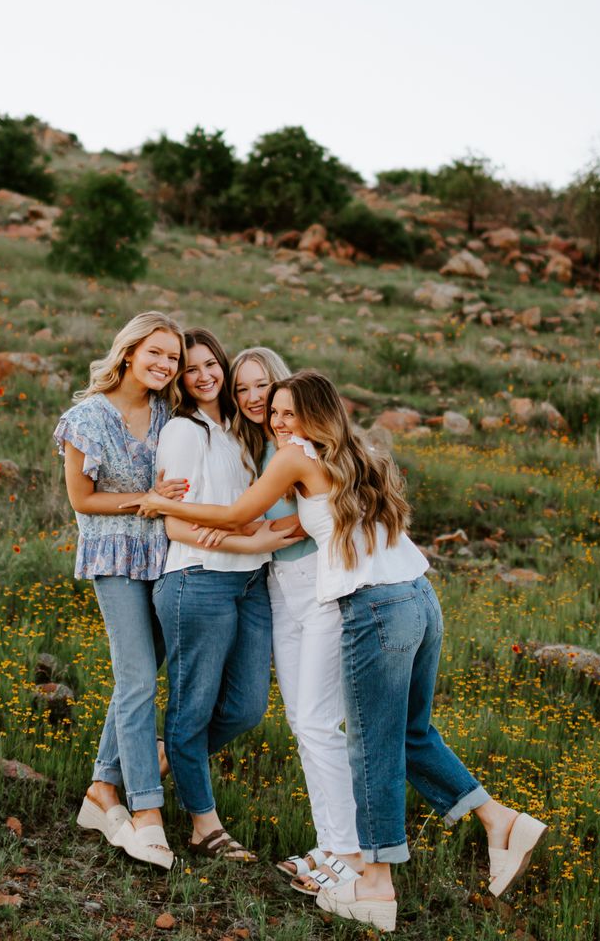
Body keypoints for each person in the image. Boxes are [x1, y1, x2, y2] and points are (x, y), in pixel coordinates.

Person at [125, 370, 548, 930]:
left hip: (375, 608)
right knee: (409, 733)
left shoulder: (295, 457)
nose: (277, 421)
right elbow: (280, 524)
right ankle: (499, 821)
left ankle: (374, 883)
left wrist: (159, 505)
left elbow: (233, 514)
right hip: (419, 597)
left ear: (315, 415)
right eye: (273, 412)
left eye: (288, 412)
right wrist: (229, 530)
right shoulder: (359, 455)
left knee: (371, 746)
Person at [152, 329, 294, 862]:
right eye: (192, 369)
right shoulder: (185, 431)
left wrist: (250, 534)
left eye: (213, 365)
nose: (205, 375)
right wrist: (247, 536)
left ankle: (163, 758)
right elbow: (173, 524)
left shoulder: (238, 430)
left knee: (245, 708)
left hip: (250, 582)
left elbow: (252, 504)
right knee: (192, 710)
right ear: (181, 381)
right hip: (199, 580)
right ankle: (203, 825)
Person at [53, 310, 187, 870]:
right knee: (135, 679)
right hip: (114, 555)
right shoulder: (86, 418)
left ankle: (101, 791)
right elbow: (81, 500)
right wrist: (148, 501)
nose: (165, 364)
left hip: (164, 554)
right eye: (155, 352)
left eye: (173, 357)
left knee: (141, 677)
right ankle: (145, 815)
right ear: (129, 351)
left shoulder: (170, 415)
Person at [230, 348, 360, 894]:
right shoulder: (260, 444)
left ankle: (349, 853)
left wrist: (233, 531)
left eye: (265, 386)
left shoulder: (297, 447)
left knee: (316, 722)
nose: (256, 398)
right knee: (304, 725)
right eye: (244, 389)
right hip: (281, 588)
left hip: (317, 583)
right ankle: (330, 845)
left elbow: (297, 527)